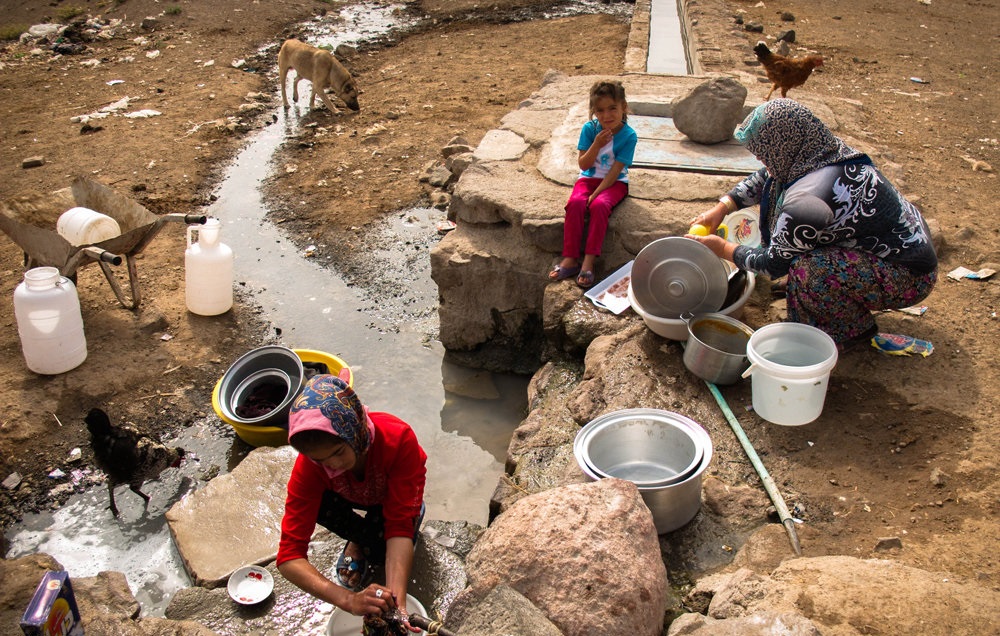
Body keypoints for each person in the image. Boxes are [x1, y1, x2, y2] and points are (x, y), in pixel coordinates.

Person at [686, 98, 937, 350]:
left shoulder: (808, 200)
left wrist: (723, 249)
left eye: (764, 155)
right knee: (800, 255)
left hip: (909, 276)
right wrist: (722, 208)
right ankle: (822, 292)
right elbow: (768, 176)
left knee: (809, 269)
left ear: (783, 147)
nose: (763, 162)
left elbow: (773, 263)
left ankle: (848, 329)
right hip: (899, 246)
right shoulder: (819, 152)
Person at [276, 374, 427, 630]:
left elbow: (399, 526)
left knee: (386, 543)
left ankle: (411, 511)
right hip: (347, 497)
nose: (333, 464)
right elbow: (289, 556)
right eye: (321, 460)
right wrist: (349, 600)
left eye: (337, 453)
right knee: (333, 513)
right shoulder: (310, 466)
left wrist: (396, 604)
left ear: (354, 430)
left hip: (387, 498)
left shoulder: (398, 440)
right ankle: (357, 539)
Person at [548, 80, 638, 289]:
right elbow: (583, 163)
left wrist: (596, 194)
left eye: (612, 109)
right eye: (600, 111)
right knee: (575, 204)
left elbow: (615, 171)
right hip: (588, 178)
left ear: (623, 107)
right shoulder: (590, 130)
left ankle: (588, 262)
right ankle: (570, 258)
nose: (607, 116)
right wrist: (596, 145)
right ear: (594, 112)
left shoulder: (629, 136)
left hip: (614, 182)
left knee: (599, 206)